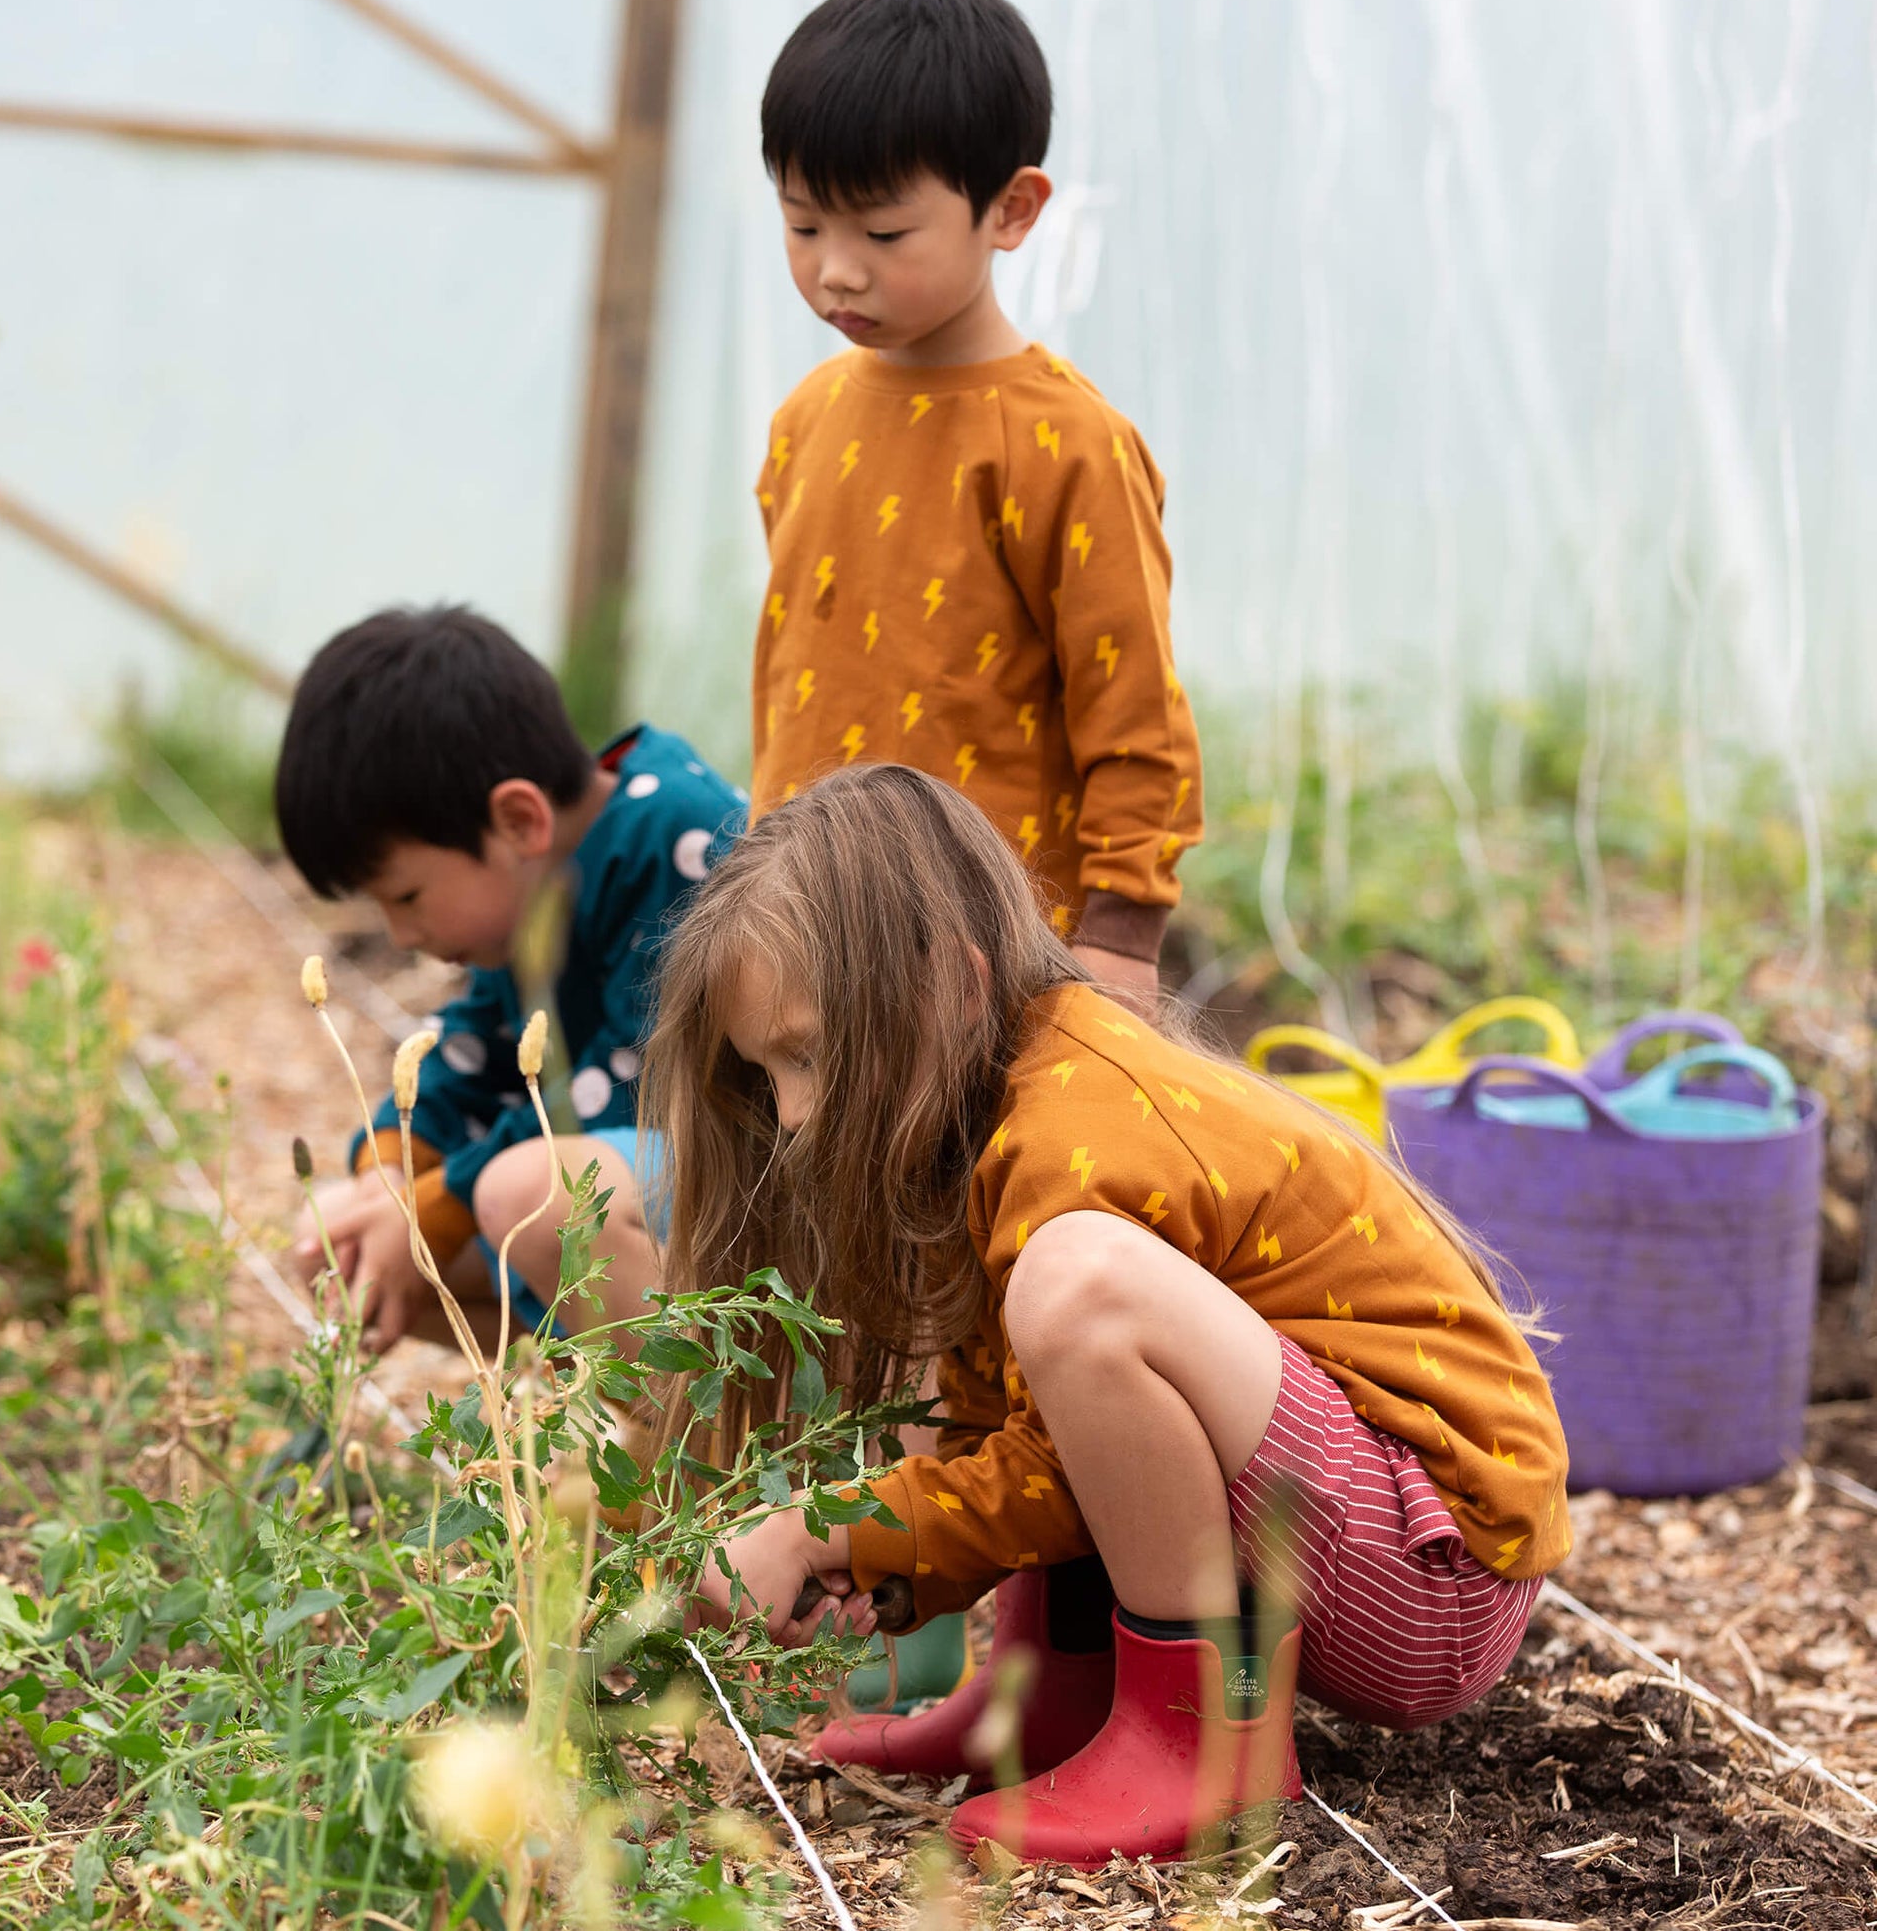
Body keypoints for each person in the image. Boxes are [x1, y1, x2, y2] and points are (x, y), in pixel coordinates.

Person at [643, 765, 1571, 1869]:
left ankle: (1199, 1743)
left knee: (1077, 1286)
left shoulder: (1076, 1130)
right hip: (1351, 1537)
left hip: (1430, 1577)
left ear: (951, 988)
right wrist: (885, 1550)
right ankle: (1061, 1689)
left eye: (805, 1053)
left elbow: (1049, 1468)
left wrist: (823, 1529)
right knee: (1052, 1316)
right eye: (767, 1073)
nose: (791, 1112)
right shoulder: (1002, 1091)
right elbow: (1029, 1438)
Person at [751, 0, 1204, 1011]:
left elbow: (1133, 707)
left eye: (883, 233)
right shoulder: (805, 419)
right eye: (803, 222)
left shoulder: (1066, 445)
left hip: (996, 951)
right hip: (812, 922)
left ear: (1010, 210)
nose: (835, 272)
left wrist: (1122, 935)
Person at [274, 604, 744, 1356]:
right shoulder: (536, 881)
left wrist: (439, 1205)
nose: (402, 935)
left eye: (407, 897)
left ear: (520, 820)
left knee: (528, 1197)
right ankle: (613, 1395)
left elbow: (629, 1089)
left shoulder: (681, 843)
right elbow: (475, 1047)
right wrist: (389, 1173)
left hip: (758, 1188)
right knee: (337, 1237)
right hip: (647, 1187)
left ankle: (717, 1422)